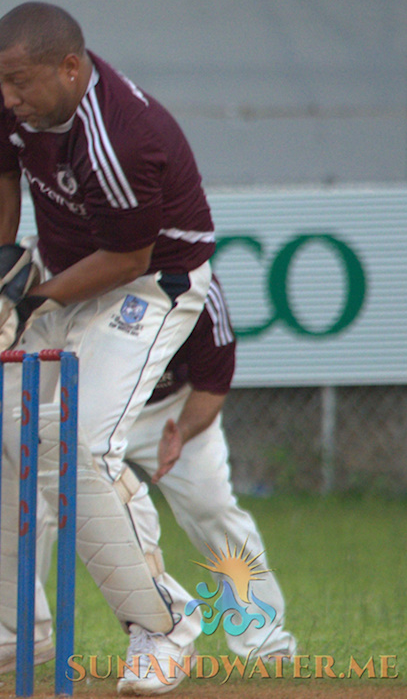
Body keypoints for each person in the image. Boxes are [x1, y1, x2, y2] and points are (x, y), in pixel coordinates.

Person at [0, 2, 215, 696]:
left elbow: (127, 255)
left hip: (150, 283)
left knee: (82, 443)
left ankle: (164, 622)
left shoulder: (121, 137)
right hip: (62, 272)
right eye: (0, 81)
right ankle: (10, 630)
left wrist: (30, 301)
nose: (8, 98)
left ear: (70, 67)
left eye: (21, 83)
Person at [124, 275, 298, 664]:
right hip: (96, 409)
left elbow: (213, 384)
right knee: (40, 507)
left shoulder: (200, 288)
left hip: (172, 410)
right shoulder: (90, 267)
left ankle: (265, 641)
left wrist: (181, 432)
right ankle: (16, 637)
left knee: (212, 509)